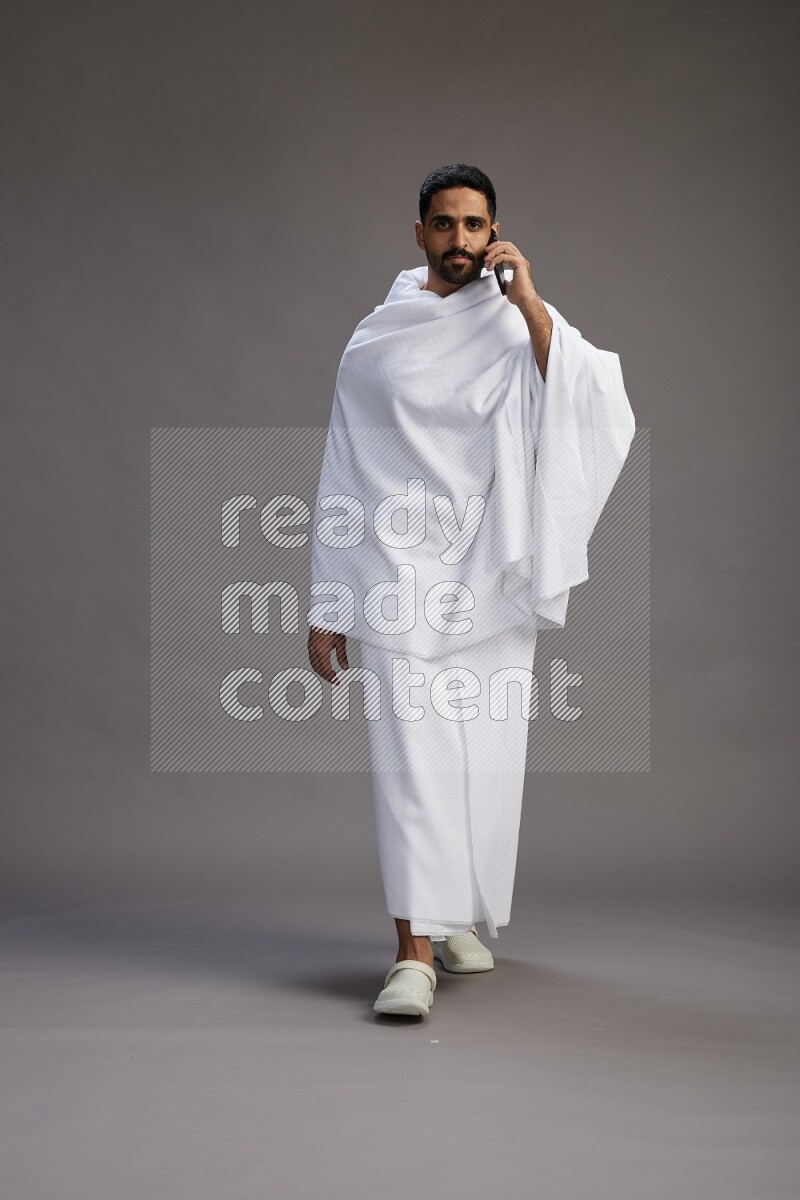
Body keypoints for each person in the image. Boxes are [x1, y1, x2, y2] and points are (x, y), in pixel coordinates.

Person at [307, 164, 635, 1017]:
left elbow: (597, 400)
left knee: (480, 758)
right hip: (395, 571)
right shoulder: (378, 338)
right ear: (418, 233)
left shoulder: (518, 320)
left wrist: (529, 303)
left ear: (496, 233)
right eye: (445, 225)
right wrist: (328, 601)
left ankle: (455, 918)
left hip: (490, 570)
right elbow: (345, 465)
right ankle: (411, 953)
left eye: (475, 226)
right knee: (411, 764)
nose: (461, 242)